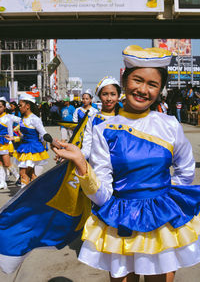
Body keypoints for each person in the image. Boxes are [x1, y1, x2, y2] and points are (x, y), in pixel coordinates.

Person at [52, 45, 200, 282]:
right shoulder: (104, 129)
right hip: (121, 220)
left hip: (160, 221)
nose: (143, 90)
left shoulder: (170, 124)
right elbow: (102, 194)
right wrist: (81, 162)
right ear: (125, 80)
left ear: (160, 89)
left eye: (152, 85)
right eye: (137, 80)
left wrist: (158, 193)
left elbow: (185, 171)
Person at [7, 94, 49, 188]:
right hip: (25, 148)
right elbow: (24, 136)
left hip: (33, 149)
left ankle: (23, 195)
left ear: (28, 106)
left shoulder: (35, 119)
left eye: (20, 105)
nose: (19, 107)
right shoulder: (22, 119)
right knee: (31, 175)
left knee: (23, 173)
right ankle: (36, 194)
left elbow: (43, 134)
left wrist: (48, 146)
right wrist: (14, 138)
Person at [81, 76, 121, 160]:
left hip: (121, 167)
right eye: (105, 94)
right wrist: (78, 156)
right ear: (99, 96)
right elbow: (87, 147)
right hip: (99, 166)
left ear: (118, 96)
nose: (109, 98)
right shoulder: (93, 119)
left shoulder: (125, 118)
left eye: (113, 94)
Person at [0, 97, 15, 189]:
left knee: (7, 163)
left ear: (4, 107)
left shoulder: (8, 118)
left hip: (5, 142)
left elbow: (10, 133)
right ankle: (2, 182)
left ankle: (18, 177)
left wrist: (10, 143)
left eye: (0, 106)